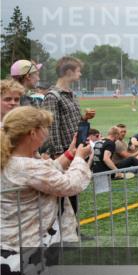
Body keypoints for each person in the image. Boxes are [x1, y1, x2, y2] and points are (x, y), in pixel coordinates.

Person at [1, 106, 91, 275]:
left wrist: (67, 155)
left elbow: (47, 173)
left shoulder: (12, 161)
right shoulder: (27, 165)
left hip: (12, 249)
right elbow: (70, 185)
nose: (47, 133)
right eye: (44, 128)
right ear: (32, 133)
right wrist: (79, 159)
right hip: (31, 251)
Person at [40, 57, 94, 215]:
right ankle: (64, 234)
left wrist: (84, 118)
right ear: (68, 72)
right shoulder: (52, 96)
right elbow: (52, 127)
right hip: (63, 152)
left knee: (73, 194)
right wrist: (59, 155)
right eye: (78, 71)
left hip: (74, 150)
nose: (80, 74)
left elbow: (71, 122)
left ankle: (73, 230)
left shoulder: (71, 94)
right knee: (62, 198)